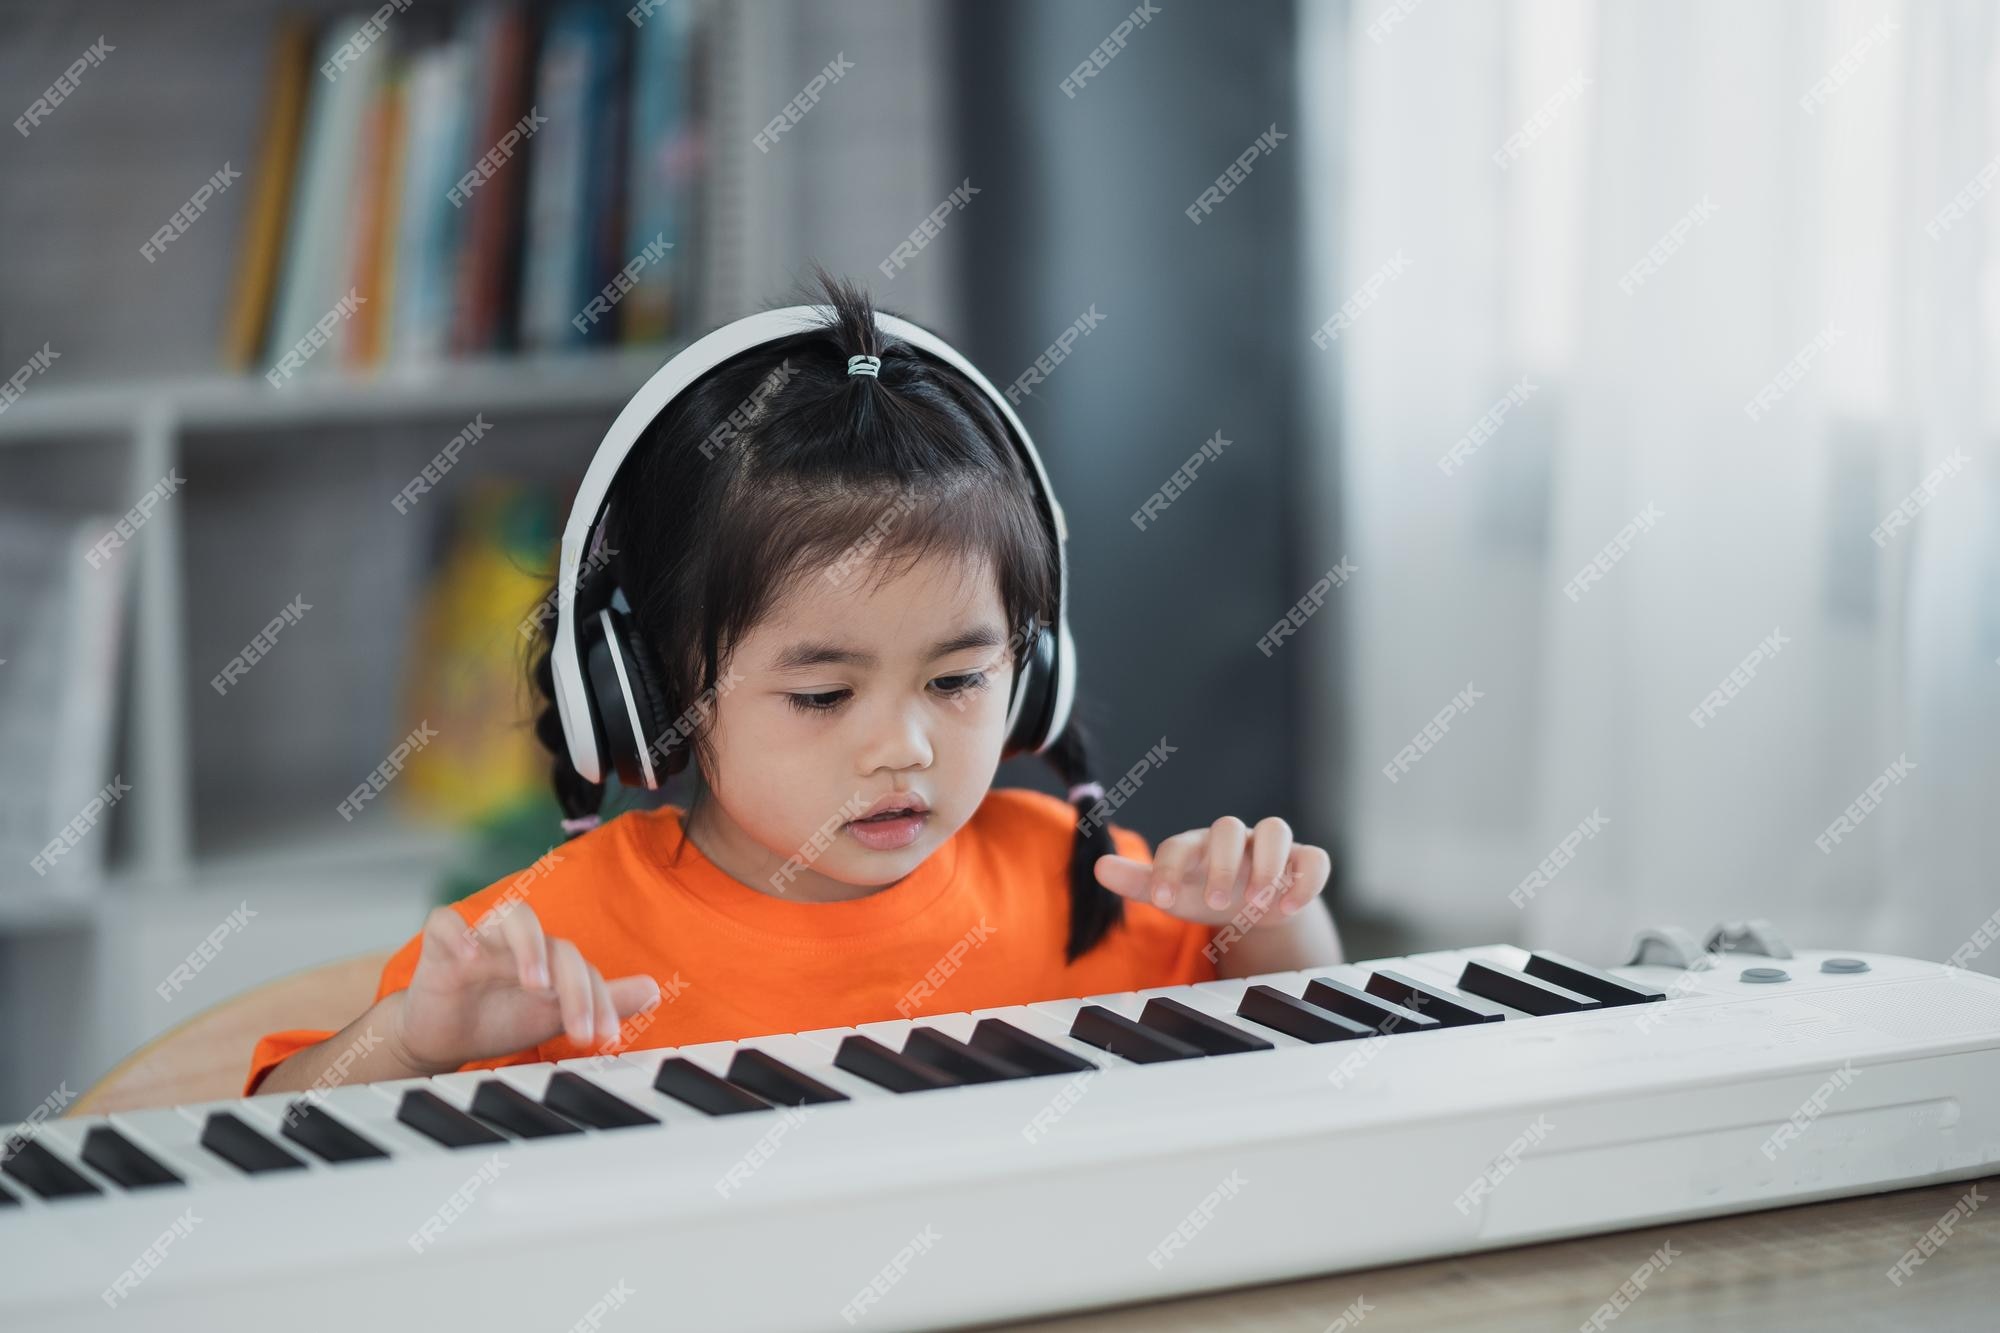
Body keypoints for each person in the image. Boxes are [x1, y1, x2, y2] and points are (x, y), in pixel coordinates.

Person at [246, 269, 1339, 1096]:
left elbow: (1296, 1034)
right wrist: (411, 1043)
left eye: (958, 678)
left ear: (1035, 663)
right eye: (822, 696)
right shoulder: (556, 937)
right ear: (651, 687)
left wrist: (1268, 921)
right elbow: (260, 1138)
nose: (901, 747)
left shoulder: (1078, 887)